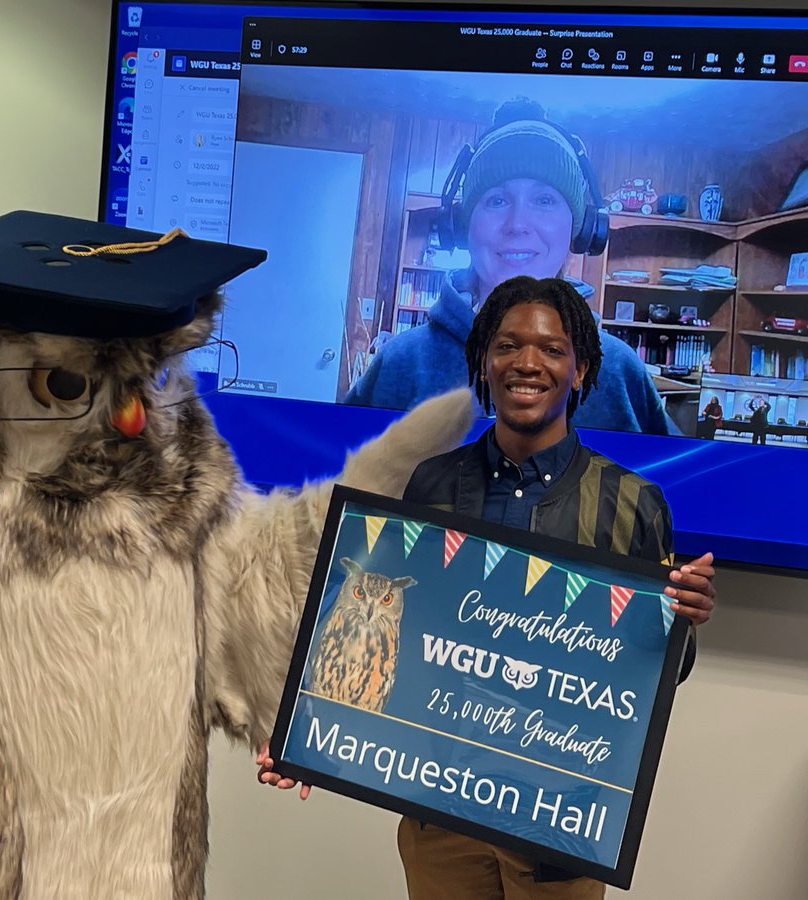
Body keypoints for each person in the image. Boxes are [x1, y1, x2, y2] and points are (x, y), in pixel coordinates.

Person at [259, 275, 717, 900]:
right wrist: (305, 736)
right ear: (482, 361)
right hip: (439, 807)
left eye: (552, 350)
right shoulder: (431, 485)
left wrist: (682, 619)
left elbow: (656, 672)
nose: (528, 363)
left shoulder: (634, 505)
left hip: (561, 822)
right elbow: (380, 630)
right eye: (507, 345)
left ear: (581, 370)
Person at [344, 98, 675, 436]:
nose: (518, 224)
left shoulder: (620, 372)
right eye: (497, 201)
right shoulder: (400, 364)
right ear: (462, 226)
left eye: (544, 200)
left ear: (580, 228)